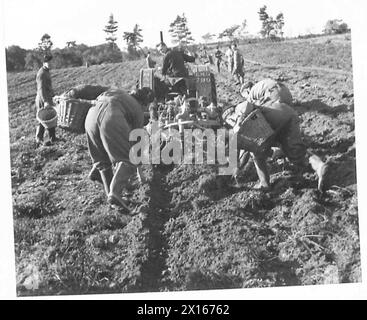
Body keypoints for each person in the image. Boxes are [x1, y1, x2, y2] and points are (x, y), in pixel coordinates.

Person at [223, 95, 329, 192]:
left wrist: (239, 121)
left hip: (279, 119)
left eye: (227, 119)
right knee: (294, 152)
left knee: (258, 154)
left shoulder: (238, 109)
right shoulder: (241, 129)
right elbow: (245, 150)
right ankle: (319, 166)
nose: (228, 122)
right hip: (285, 116)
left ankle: (264, 184)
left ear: (229, 113)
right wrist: (237, 167)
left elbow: (247, 105)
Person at [85, 88, 154, 211]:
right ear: (145, 103)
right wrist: (140, 173)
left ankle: (112, 200)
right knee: (128, 158)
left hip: (90, 117)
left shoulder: (121, 94)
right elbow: (136, 141)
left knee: (103, 162)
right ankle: (115, 192)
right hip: (111, 117)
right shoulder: (137, 109)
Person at [35, 54, 57, 145]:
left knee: (50, 117)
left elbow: (48, 87)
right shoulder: (42, 74)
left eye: (51, 62)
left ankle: (53, 138)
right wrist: (45, 102)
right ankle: (38, 139)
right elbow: (41, 89)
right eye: (48, 62)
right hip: (42, 99)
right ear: (44, 63)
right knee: (43, 119)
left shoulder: (46, 71)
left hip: (48, 98)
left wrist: (53, 95)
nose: (50, 64)